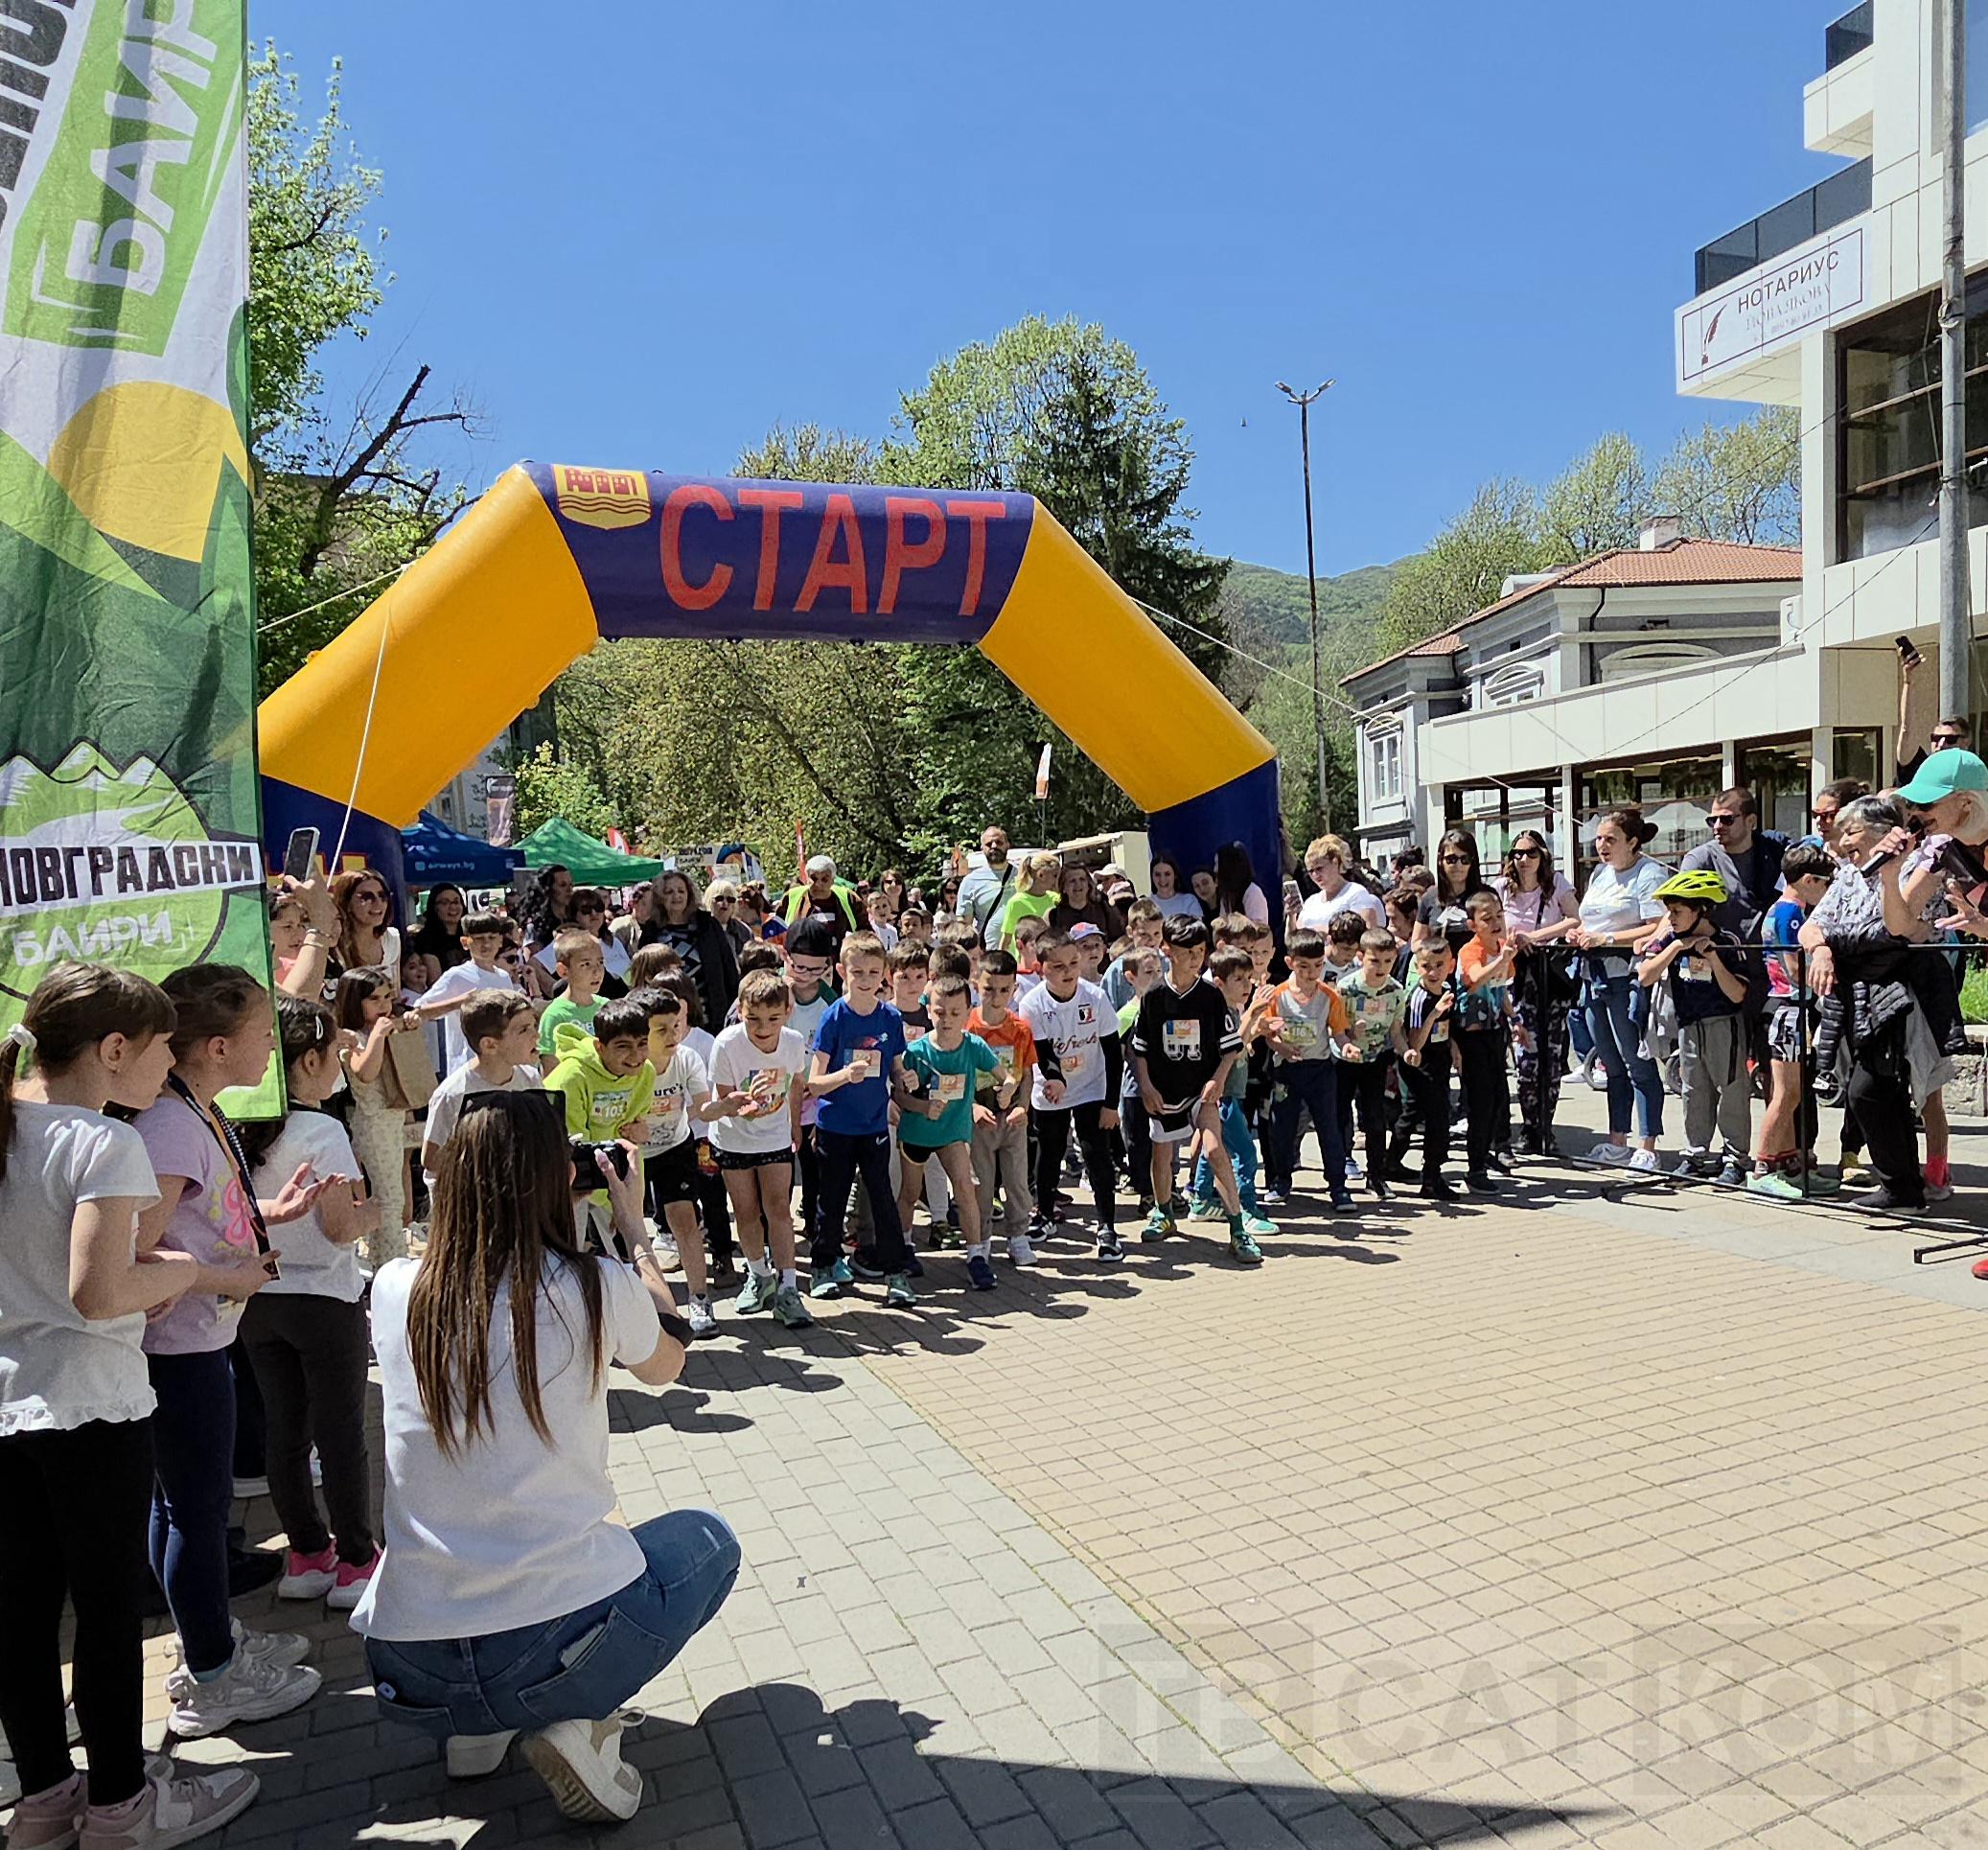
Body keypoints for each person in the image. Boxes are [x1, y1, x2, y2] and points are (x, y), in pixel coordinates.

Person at [352, 1090, 732, 1824]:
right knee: (709, 1541)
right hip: (546, 1650)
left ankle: (476, 1733)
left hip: (410, 1668)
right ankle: (582, 1724)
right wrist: (635, 1230)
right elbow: (668, 1363)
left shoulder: (396, 1289)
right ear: (559, 1178)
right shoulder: (592, 1285)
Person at [0, 963, 264, 1850]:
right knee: (108, 1614)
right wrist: (186, 1271)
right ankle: (120, 1804)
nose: (166, 1067)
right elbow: (100, 1291)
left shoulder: (13, 1129)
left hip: (10, 1407)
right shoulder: (101, 1142)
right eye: (159, 1049)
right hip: (90, 1408)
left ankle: (45, 1800)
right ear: (115, 1050)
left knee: (22, 1613)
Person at [133, 965, 330, 1739]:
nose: (272, 1049)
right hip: (177, 1350)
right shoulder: (170, 1125)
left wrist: (273, 1211)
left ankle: (206, 1640)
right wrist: (230, 1276)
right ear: (218, 1046)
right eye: (261, 1034)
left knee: (184, 1507)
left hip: (200, 1338)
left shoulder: (196, 1110)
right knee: (194, 1510)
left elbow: (202, 1215)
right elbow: (133, 1253)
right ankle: (212, 1675)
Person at [239, 998, 381, 1612]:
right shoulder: (323, 1131)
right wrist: (375, 1212)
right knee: (341, 1433)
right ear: (310, 1060)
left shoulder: (236, 1125)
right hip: (324, 1298)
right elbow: (341, 1227)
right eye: (334, 1054)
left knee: (286, 1433)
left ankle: (306, 1554)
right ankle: (356, 1561)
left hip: (259, 1298)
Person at [1799, 794, 1953, 1212]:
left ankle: (1908, 1185)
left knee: (1870, 1090)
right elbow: (1811, 927)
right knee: (1880, 1092)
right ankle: (1903, 1189)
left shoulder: (1919, 864)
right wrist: (1822, 951)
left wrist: (1888, 875)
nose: (1842, 840)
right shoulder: (1848, 874)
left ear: (1884, 832)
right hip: (1857, 994)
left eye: (1851, 831)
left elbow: (1897, 929)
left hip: (1906, 994)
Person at [807, 932, 913, 1305]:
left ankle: (895, 1273)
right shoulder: (833, 1017)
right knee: (832, 1200)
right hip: (835, 1127)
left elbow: (896, 1068)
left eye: (873, 972)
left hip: (874, 1127)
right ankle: (824, 1266)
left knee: (883, 1198)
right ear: (842, 972)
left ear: (884, 973)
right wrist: (843, 1075)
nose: (866, 980)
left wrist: (906, 1078)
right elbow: (814, 1083)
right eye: (857, 972)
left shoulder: (891, 1017)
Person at [703, 968, 813, 1326]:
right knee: (746, 1211)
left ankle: (789, 1288)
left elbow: (796, 1084)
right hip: (733, 1139)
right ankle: (759, 1276)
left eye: (772, 1019)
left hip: (775, 1137)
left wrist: (794, 1126)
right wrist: (741, 1103)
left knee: (779, 1208)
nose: (763, 1028)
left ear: (787, 1013)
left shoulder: (793, 1042)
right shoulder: (726, 1044)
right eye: (753, 1019)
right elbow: (724, 1099)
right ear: (740, 1012)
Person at [1129, 915, 1246, 1249]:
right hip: (1163, 1091)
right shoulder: (1153, 996)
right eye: (1187, 952)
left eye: (1200, 951)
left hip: (1201, 1091)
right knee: (1162, 1152)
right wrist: (1146, 1086)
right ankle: (1164, 1212)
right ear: (1167, 950)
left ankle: (1238, 1227)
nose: (1196, 958)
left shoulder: (1211, 996)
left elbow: (1230, 1048)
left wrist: (1217, 1080)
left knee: (1214, 1149)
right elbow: (1140, 1048)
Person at [1635, 871, 1752, 1185]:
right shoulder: (1671, 940)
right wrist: (1675, 948)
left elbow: (1737, 994)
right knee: (1693, 1092)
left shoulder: (1726, 942)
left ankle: (1735, 1158)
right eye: (1669, 911)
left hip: (1723, 1024)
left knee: (1731, 1090)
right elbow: (1645, 976)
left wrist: (1713, 959)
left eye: (1677, 911)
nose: (1670, 918)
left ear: (1700, 909)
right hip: (1688, 1025)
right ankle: (1695, 1154)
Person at [1570, 808, 1670, 1171]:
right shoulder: (1599, 873)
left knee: (1636, 1060)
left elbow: (1657, 925)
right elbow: (1589, 920)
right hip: (1592, 976)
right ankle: (1617, 1141)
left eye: (1610, 839)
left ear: (1633, 841)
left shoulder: (1648, 873)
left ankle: (1648, 1144)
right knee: (1610, 1064)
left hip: (1626, 977)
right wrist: (1580, 933)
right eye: (1598, 838)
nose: (1602, 845)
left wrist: (1608, 938)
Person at [1019, 933, 1123, 1261]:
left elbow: (1113, 1053)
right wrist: (1055, 1079)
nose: (1068, 972)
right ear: (1042, 969)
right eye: (1059, 966)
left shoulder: (1095, 997)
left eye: (1073, 963)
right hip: (1051, 1089)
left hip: (1091, 1086)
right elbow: (1043, 1051)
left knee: (1096, 1153)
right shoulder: (1032, 1003)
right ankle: (1045, 1215)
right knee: (1049, 1152)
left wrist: (1111, 1104)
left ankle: (1107, 1228)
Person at [895, 975, 1001, 1290]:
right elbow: (899, 1097)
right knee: (910, 1194)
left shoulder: (974, 1046)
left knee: (965, 1188)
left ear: (968, 1011)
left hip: (953, 1132)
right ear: (929, 1011)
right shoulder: (915, 1052)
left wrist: (1007, 1089)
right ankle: (904, 1246)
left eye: (955, 1013)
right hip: (917, 1133)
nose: (947, 1020)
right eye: (940, 1012)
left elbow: (1004, 1075)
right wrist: (921, 1106)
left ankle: (976, 1256)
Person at [1751, 844, 1838, 1199]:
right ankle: (1762, 1168)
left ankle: (1788, 1164)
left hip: (1786, 1006)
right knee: (1786, 1095)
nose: (1827, 890)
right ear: (1807, 881)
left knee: (1792, 1094)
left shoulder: (1781, 909)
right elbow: (1794, 968)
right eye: (1825, 883)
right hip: (1789, 1007)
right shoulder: (1790, 913)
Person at [631, 987, 717, 1336]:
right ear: (642, 1034)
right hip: (634, 1152)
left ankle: (700, 1300)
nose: (672, 1035)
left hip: (675, 1147)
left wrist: (726, 1107)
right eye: (661, 1029)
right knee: (627, 1227)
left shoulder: (687, 1058)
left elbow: (703, 1106)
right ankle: (638, 1306)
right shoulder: (630, 1065)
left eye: (676, 1025)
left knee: (685, 1220)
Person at [542, 1000, 657, 1250]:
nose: (635, 1056)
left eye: (642, 1044)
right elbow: (573, 1145)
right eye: (623, 1046)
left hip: (611, 1172)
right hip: (568, 1178)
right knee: (569, 1253)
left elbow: (630, 1135)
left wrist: (627, 1201)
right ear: (599, 1047)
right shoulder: (571, 1077)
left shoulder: (646, 1073)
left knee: (627, 1253)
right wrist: (614, 1199)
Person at [1494, 829, 1580, 1155]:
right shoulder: (1501, 888)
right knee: (1526, 1057)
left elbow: (1575, 919)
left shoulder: (1556, 884)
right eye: (1517, 853)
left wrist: (1537, 936)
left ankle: (1545, 1127)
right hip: (1516, 979)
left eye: (1531, 853)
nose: (1524, 859)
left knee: (1551, 1057)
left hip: (1548, 978)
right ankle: (1530, 1126)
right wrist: (1512, 940)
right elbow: (1491, 925)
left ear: (1542, 855)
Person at [1260, 929, 1355, 1214]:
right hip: (1287, 1070)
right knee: (1282, 1128)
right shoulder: (1277, 995)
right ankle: (1281, 1181)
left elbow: (1338, 1032)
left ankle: (1338, 1187)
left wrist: (1348, 1047)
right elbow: (1268, 1034)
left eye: (1317, 965)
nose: (1311, 973)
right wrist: (1282, 1047)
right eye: (1304, 966)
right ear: (1290, 963)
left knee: (1329, 1128)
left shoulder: (1329, 996)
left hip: (1320, 1070)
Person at [334, 967, 424, 1265]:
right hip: (373, 1124)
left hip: (392, 1121)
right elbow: (365, 1072)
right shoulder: (352, 1038)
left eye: (386, 997)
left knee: (391, 1196)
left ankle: (380, 1259)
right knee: (389, 1199)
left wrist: (408, 1024)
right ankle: (391, 1263)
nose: (383, 1005)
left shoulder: (384, 1028)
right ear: (354, 1002)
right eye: (374, 999)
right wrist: (378, 1036)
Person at [421, 992, 543, 1186]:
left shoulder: (530, 1079)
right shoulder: (453, 1094)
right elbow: (431, 1159)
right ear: (490, 1045)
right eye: (524, 1030)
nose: (536, 1035)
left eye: (534, 1026)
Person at [967, 949, 1038, 1265]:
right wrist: (971, 1107)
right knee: (981, 1184)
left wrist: (1024, 1106)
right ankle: (981, 1239)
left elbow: (1027, 1074)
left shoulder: (1020, 1029)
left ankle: (1018, 1237)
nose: (996, 997)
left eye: (1004, 990)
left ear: (1014, 989)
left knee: (1017, 1182)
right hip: (979, 1120)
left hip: (1011, 1119)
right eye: (989, 989)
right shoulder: (967, 1027)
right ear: (976, 984)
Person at [1454, 892, 1528, 1192]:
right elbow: (1477, 978)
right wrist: (1502, 958)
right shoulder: (1470, 951)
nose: (1496, 922)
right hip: (1471, 1033)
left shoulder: (1501, 948)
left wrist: (1515, 1019)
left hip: (1495, 1029)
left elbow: (1501, 988)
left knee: (1498, 1096)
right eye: (1487, 919)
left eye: (1499, 915)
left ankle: (1485, 1152)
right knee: (1480, 1101)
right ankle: (1475, 1169)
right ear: (1473, 924)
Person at [1334, 929, 1409, 1200]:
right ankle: (1337, 1176)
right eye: (1374, 961)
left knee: (1376, 1119)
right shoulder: (1346, 987)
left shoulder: (1396, 991)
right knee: (1340, 1117)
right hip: (1344, 1060)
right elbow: (1335, 1027)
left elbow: (1396, 1032)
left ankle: (1376, 1176)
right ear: (1360, 957)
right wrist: (1350, 1035)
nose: (1381, 967)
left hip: (1375, 1060)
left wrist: (1406, 1051)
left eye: (1388, 961)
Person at [1680, 787, 1788, 939]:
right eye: (1712, 820)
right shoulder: (1700, 861)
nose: (1717, 826)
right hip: (1721, 952)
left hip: (1772, 951)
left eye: (1726, 819)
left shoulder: (1774, 851)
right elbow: (1679, 910)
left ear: (1750, 821)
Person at [417, 913, 518, 1075]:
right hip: (466, 1065)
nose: (486, 944)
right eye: (479, 939)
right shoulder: (457, 975)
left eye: (491, 937)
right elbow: (420, 1010)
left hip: (500, 1064)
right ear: (465, 942)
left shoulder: (504, 977)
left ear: (500, 941)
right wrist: (458, 1003)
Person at [1399, 941, 1461, 1201]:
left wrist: (1454, 1050)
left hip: (1440, 1060)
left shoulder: (1446, 989)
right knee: (1438, 1118)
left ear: (1451, 965)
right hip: (1420, 1063)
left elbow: (1448, 1028)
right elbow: (1415, 1042)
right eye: (1426, 966)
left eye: (1439, 965)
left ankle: (1390, 1162)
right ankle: (1431, 1177)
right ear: (1417, 967)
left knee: (1413, 1113)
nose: (1433, 972)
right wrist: (1433, 1015)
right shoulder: (1420, 998)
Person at [641, 869, 739, 1027]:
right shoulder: (651, 930)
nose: (677, 896)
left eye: (681, 891)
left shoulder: (708, 925)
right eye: (669, 892)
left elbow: (729, 968)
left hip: (709, 1013)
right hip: (666, 1014)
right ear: (659, 897)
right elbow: (642, 972)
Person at [535, 889, 633, 996]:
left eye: (598, 907)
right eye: (586, 910)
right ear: (574, 915)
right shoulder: (568, 942)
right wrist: (557, 991)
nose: (594, 913)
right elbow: (534, 965)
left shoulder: (612, 941)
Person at [1895, 646, 1972, 782]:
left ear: (1966, 742)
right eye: (1936, 738)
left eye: (1950, 740)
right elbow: (1907, 729)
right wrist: (1908, 680)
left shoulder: (1975, 776)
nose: (1941, 744)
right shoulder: (1921, 769)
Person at [1414, 831, 1495, 955]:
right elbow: (1416, 942)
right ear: (1441, 860)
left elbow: (1500, 936)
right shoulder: (1429, 897)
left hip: (1479, 964)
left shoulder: (1488, 896)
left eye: (1465, 859)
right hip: (1442, 965)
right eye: (1451, 859)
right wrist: (1434, 949)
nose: (1458, 865)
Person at [270, 874, 341, 1002]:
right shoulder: (250, 976)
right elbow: (298, 1001)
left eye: (300, 925)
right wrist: (320, 918)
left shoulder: (301, 966)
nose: (300, 934)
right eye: (288, 926)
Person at [1296, 835, 1386, 937]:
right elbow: (1296, 936)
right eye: (1310, 871)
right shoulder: (1311, 902)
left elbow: (1367, 934)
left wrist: (1315, 930)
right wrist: (1291, 915)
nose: (1315, 875)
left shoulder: (1356, 893)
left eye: (1319, 868)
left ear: (1335, 862)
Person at [330, 867, 401, 991]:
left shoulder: (392, 939)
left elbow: (395, 994)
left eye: (383, 896)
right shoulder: (332, 943)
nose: (378, 903)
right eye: (367, 897)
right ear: (346, 902)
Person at [778, 854, 863, 953]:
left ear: (832, 880)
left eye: (824, 879)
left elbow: (865, 933)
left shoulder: (849, 898)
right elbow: (776, 931)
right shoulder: (791, 897)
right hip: (801, 960)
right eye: (813, 878)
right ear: (807, 879)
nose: (818, 884)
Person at [957, 826, 1020, 948]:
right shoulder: (970, 882)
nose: (994, 846)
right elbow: (964, 927)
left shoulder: (1023, 877)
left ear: (1007, 845)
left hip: (1020, 953)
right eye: (989, 844)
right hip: (987, 953)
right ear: (982, 848)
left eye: (999, 842)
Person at [403, 883, 468, 994]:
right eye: (445, 903)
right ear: (434, 907)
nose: (452, 907)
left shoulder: (470, 935)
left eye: (456, 902)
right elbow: (436, 982)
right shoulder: (426, 939)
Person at [997, 852, 1062, 949]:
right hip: (1024, 956)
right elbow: (1007, 938)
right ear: (1041, 875)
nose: (1058, 880)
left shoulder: (1056, 899)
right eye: (1055, 876)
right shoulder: (1016, 902)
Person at [519, 864, 575, 961]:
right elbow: (533, 963)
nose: (569, 890)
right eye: (562, 885)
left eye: (571, 884)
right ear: (547, 888)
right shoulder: (536, 926)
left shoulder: (577, 918)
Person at [1049, 863, 1121, 937]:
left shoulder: (1104, 908)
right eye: (1072, 881)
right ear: (1063, 887)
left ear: (1088, 885)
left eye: (1082, 879)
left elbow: (1118, 937)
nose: (1078, 884)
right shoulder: (1055, 916)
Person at [1212, 843, 1271, 929]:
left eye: (1217, 863)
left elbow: (1257, 930)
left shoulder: (1252, 893)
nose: (1215, 869)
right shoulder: (1226, 896)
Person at [1809, 778, 1866, 860]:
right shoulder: (1812, 856)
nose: (1819, 821)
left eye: (1829, 815)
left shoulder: (1867, 858)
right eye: (1815, 814)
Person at [703, 879, 751, 958]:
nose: (725, 903)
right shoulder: (700, 930)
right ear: (709, 901)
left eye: (730, 900)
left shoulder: (744, 931)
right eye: (719, 898)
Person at [1146, 853, 1203, 921]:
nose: (1162, 879)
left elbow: (1198, 926)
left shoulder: (1189, 901)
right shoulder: (1146, 905)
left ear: (1175, 875)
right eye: (1157, 874)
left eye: (1167, 874)